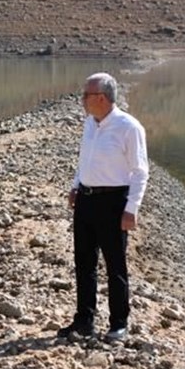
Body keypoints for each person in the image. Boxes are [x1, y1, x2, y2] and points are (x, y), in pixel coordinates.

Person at [59, 72, 149, 342]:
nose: (81, 100)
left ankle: (119, 323)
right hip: (86, 199)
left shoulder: (128, 127)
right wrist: (76, 185)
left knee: (115, 265)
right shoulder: (90, 123)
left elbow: (140, 171)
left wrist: (131, 208)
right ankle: (84, 320)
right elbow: (85, 159)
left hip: (113, 202)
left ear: (100, 98)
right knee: (84, 262)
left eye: (85, 95)